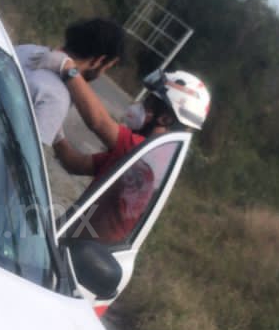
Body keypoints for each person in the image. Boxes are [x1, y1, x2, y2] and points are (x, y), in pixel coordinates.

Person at [54, 69, 211, 243]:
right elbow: (74, 163)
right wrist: (56, 132)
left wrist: (68, 70)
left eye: (148, 103)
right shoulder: (138, 156)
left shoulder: (144, 155)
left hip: (86, 252)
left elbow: (98, 122)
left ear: (165, 119)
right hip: (71, 237)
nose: (138, 105)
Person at [15, 18, 126, 146]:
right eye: (107, 68)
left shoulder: (26, 49)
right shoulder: (57, 98)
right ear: (98, 61)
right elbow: (23, 158)